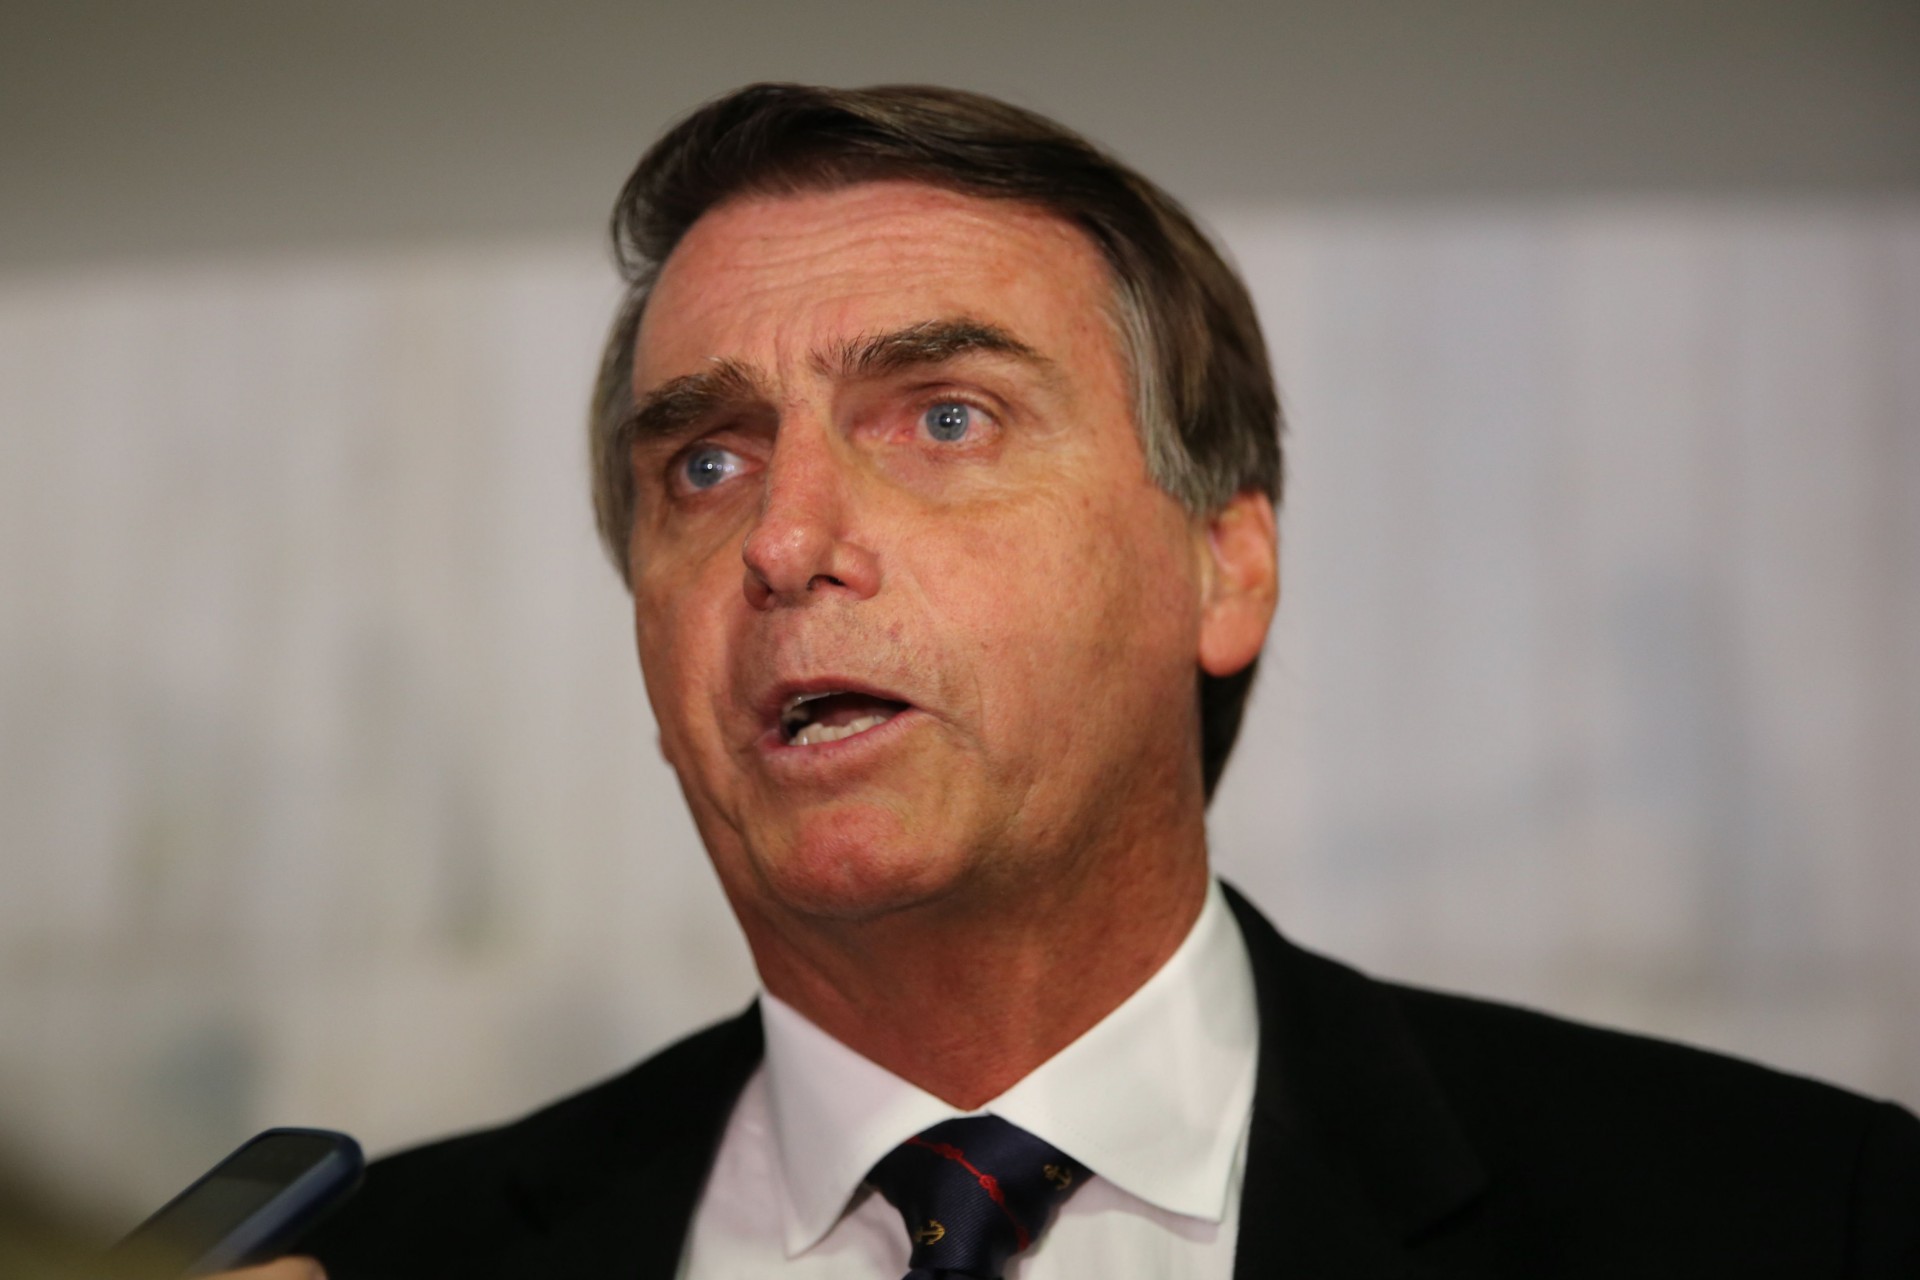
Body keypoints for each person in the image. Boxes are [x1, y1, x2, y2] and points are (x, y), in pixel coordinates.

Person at [272, 83, 1918, 1277]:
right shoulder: (388, 1259)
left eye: (946, 419)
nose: (785, 539)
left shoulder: (1790, 1220)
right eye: (704, 464)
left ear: (1223, 565)